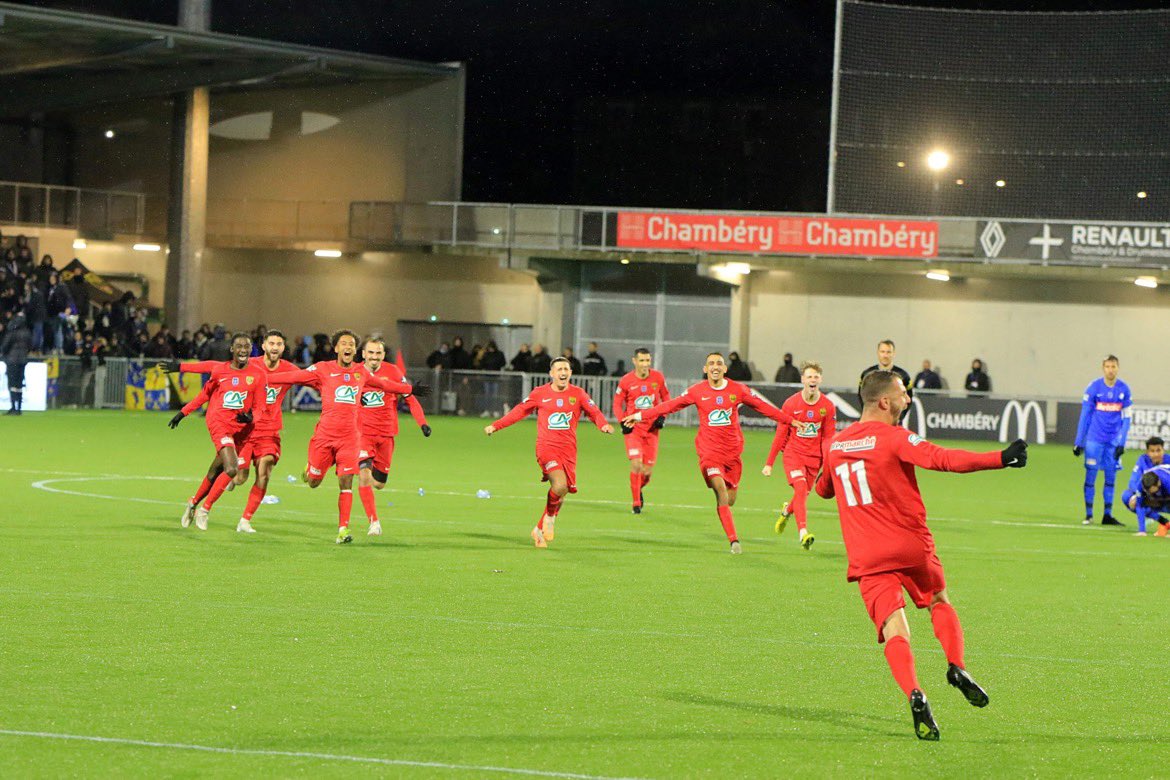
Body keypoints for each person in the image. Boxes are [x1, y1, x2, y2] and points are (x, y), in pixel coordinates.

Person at [814, 370, 1028, 740]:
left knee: (894, 627)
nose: (908, 400)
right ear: (884, 402)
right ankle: (956, 665)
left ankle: (915, 692)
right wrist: (1001, 457)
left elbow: (823, 491)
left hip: (866, 556)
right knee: (939, 601)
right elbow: (942, 458)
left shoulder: (835, 444)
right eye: (902, 395)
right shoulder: (895, 438)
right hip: (910, 545)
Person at [623, 352, 792, 553]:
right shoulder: (697, 391)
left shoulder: (737, 390)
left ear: (725, 368)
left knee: (729, 499)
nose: (715, 366)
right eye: (711, 363)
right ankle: (734, 541)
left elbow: (764, 407)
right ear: (705, 369)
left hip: (732, 455)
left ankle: (727, 520)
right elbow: (669, 405)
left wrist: (790, 421)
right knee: (720, 490)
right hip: (708, 453)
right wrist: (641, 415)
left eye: (719, 363)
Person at [265, 330, 425, 544]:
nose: (348, 347)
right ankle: (309, 470)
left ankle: (343, 530)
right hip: (324, 437)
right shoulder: (323, 369)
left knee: (347, 481)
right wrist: (264, 378)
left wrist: (410, 389)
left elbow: (385, 385)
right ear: (336, 348)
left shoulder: (361, 373)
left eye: (352, 344)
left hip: (350, 439)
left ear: (355, 350)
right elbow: (294, 377)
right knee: (313, 482)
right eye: (344, 343)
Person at [485, 356, 613, 548]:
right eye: (559, 369)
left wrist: (603, 424)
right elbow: (519, 411)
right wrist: (496, 425)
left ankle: (538, 529)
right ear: (551, 373)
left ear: (570, 373)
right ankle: (550, 518)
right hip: (546, 448)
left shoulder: (578, 394)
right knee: (560, 486)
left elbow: (593, 411)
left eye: (566, 369)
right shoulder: (540, 393)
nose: (563, 373)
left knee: (562, 492)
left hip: (569, 450)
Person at [165, 333, 265, 531]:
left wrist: (251, 417)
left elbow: (261, 407)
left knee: (214, 471)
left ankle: (193, 502)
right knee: (231, 469)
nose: (243, 349)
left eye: (247, 346)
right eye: (239, 346)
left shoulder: (259, 375)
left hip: (242, 430)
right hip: (219, 423)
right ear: (232, 350)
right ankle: (205, 510)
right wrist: (183, 413)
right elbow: (205, 395)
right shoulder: (220, 370)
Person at [356, 337, 431, 535]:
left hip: (387, 435)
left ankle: (363, 475)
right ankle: (374, 522)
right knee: (363, 475)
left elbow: (410, 398)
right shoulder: (354, 373)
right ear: (363, 354)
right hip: (362, 435)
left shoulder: (393, 372)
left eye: (378, 353)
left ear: (382, 355)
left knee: (379, 484)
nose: (374, 357)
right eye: (370, 353)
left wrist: (422, 423)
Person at [762, 360, 836, 550]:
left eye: (816, 377)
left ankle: (787, 511)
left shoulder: (827, 406)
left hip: (815, 459)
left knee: (801, 495)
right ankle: (803, 533)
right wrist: (769, 463)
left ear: (821, 380)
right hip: (793, 454)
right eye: (809, 376)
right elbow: (780, 434)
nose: (813, 380)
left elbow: (828, 437)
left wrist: (828, 461)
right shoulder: (791, 404)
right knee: (801, 489)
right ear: (803, 379)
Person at [1073, 355, 1131, 526]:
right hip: (1094, 440)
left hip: (1113, 441)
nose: (1110, 370)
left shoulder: (1124, 389)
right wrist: (1079, 441)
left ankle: (1107, 515)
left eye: (1113, 366)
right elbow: (1085, 415)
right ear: (1103, 368)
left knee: (1111, 478)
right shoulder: (1094, 388)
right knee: (1090, 476)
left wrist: (1122, 443)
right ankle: (1089, 514)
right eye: (1107, 366)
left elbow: (1127, 418)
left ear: (1118, 368)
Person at [614, 348, 670, 514]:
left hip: (652, 430)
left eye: (647, 360)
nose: (645, 364)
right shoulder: (626, 380)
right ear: (634, 361)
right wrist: (622, 420)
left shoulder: (658, 377)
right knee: (636, 464)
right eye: (642, 361)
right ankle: (636, 503)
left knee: (646, 472)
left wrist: (663, 416)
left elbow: (666, 398)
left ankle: (638, 488)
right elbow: (617, 404)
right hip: (634, 429)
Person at [1123, 437, 1167, 535]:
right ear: (1147, 452)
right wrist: (1139, 494)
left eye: (1158, 450)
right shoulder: (1142, 460)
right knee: (1128, 497)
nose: (1156, 454)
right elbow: (1133, 482)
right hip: (1150, 497)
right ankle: (1163, 521)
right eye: (1152, 451)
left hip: (1166, 498)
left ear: (1163, 450)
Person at [858, 339, 912, 414]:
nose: (885, 355)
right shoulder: (867, 374)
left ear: (894, 353)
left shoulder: (903, 375)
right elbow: (861, 395)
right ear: (878, 353)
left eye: (888, 352)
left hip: (895, 419)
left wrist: (900, 416)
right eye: (882, 352)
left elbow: (909, 398)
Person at [0, 311, 31, 415]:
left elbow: (5, 345)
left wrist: (4, 353)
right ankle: (19, 408)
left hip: (12, 360)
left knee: (12, 384)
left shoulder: (12, 332)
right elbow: (31, 344)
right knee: (19, 384)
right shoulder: (27, 332)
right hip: (23, 360)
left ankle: (13, 407)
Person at [1134, 468, 1170, 537]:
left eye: (1152, 491)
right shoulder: (1141, 485)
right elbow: (1139, 506)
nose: (1149, 493)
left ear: (1158, 483)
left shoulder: (1167, 481)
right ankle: (1164, 522)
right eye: (1148, 491)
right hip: (1163, 497)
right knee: (1132, 502)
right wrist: (1142, 531)